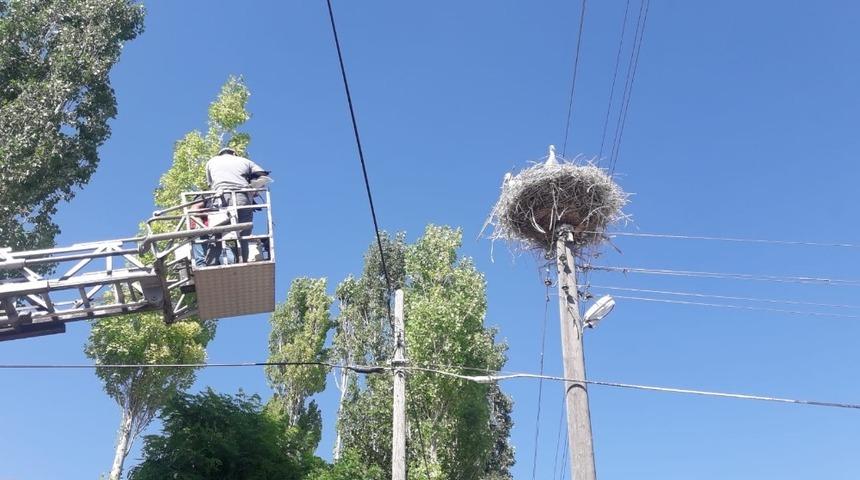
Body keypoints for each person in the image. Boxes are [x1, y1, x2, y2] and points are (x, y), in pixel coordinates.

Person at [203, 147, 270, 265]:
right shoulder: (245, 161)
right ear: (234, 153)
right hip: (241, 197)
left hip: (220, 198)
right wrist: (251, 187)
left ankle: (210, 263)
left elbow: (211, 184)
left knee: (217, 233)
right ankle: (243, 261)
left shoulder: (211, 162)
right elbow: (263, 177)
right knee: (244, 233)